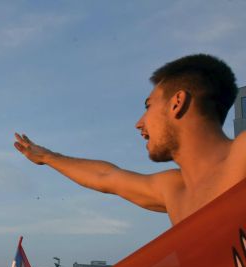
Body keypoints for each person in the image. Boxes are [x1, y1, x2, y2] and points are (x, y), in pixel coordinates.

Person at [14, 54, 241, 225]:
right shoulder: (175, 190)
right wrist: (46, 156)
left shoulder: (241, 156)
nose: (139, 123)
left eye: (148, 106)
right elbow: (106, 177)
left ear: (176, 102)